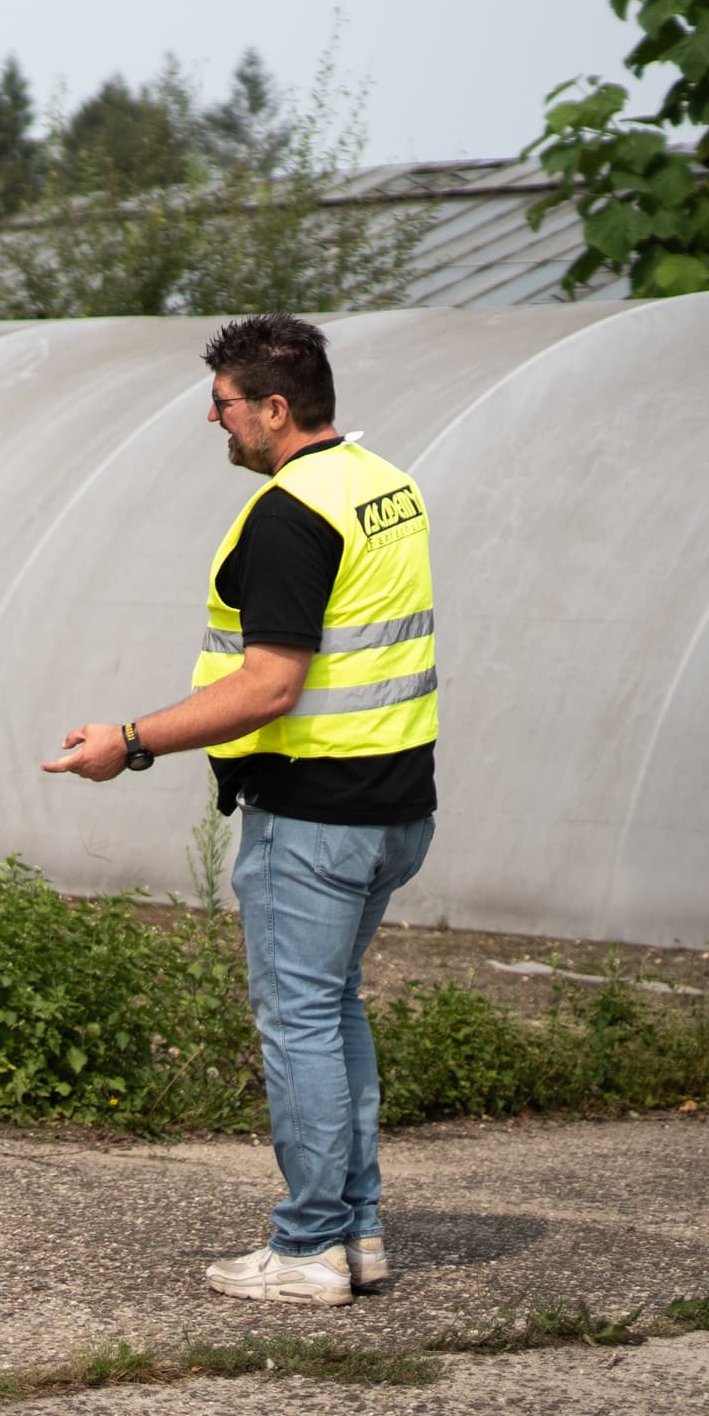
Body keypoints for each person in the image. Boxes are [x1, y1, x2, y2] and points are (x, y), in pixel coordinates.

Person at [42, 313, 438, 1308]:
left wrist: (127, 742)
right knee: (332, 1007)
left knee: (299, 1021)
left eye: (222, 404)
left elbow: (269, 686)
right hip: (392, 801)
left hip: (316, 812)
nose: (213, 421)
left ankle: (308, 1246)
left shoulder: (289, 515)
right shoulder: (387, 483)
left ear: (273, 407)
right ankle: (356, 1231)